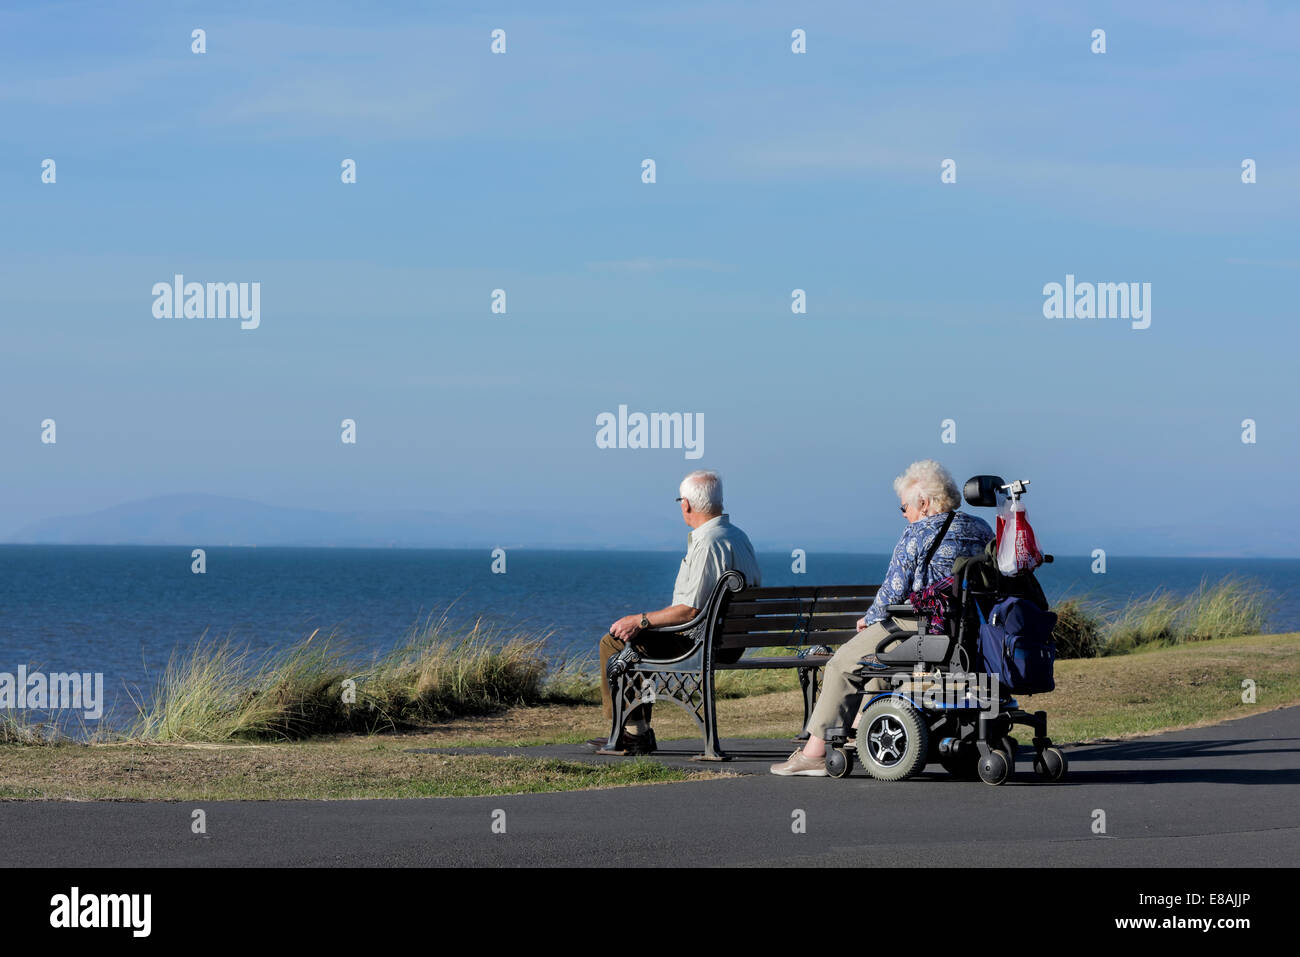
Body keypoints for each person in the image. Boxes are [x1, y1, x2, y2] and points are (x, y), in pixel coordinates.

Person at [769, 459, 993, 776]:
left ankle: (814, 753)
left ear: (924, 503)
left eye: (904, 507)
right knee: (873, 662)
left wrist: (869, 619)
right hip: (969, 632)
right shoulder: (981, 529)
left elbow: (892, 593)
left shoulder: (917, 533)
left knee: (842, 663)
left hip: (921, 627)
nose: (904, 514)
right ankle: (861, 724)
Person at [590, 470, 762, 755]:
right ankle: (638, 730)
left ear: (686, 504)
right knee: (642, 647)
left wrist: (640, 620)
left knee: (615, 643)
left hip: (703, 644)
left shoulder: (708, 543)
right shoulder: (738, 536)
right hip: (731, 643)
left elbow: (689, 610)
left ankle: (635, 731)